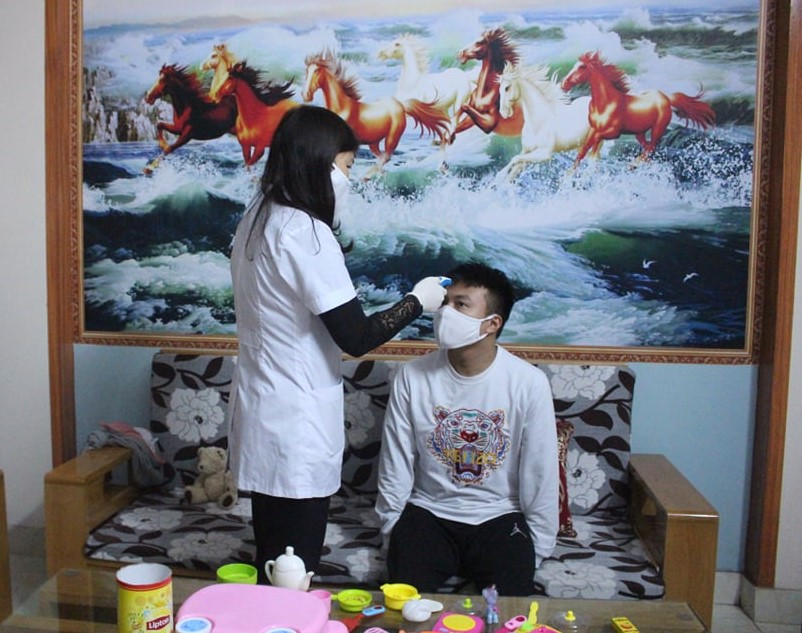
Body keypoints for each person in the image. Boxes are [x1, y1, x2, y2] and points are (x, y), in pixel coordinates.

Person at [227, 105, 448, 583]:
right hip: (296, 423)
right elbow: (355, 336)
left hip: (262, 413)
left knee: (271, 562)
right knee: (294, 571)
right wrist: (418, 301)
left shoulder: (256, 219)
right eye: (347, 167)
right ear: (322, 165)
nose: (350, 179)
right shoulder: (305, 233)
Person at [375, 262, 559, 596]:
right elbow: (396, 462)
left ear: (492, 323)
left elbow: (540, 470)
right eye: (444, 303)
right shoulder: (412, 376)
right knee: (403, 607)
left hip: (499, 517)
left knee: (511, 611)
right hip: (428, 513)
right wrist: (392, 528)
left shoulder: (528, 383)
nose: (446, 313)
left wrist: (538, 546)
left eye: (461, 304)